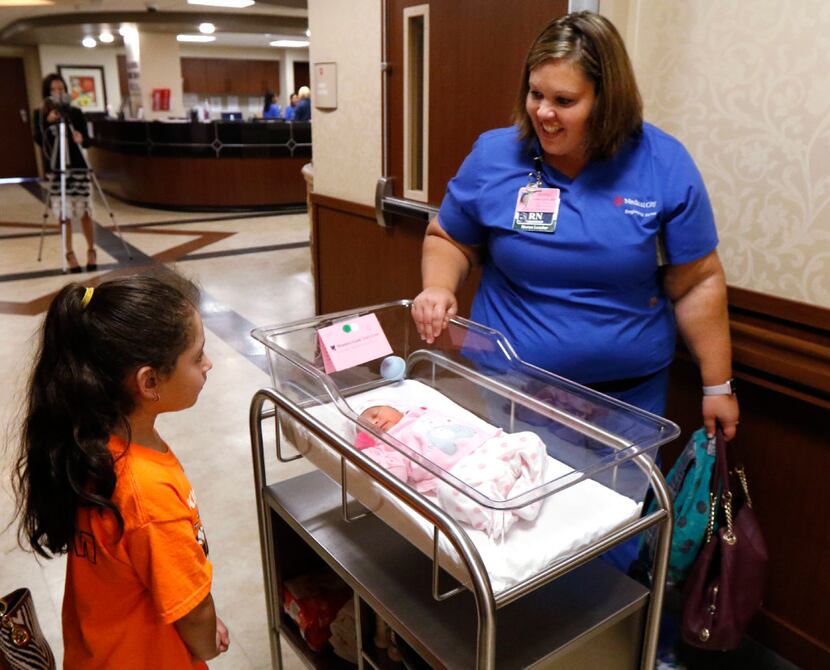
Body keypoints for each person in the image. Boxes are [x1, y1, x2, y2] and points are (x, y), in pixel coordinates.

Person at [411, 11, 739, 443]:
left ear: (607, 101)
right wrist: (438, 286)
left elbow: (697, 281)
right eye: (535, 94)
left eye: (564, 101)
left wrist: (718, 386)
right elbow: (450, 237)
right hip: (512, 388)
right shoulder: (496, 155)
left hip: (626, 401)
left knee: (619, 510)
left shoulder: (663, 163)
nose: (543, 112)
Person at [12, 274, 230, 669]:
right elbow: (196, 617)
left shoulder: (91, 444)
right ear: (149, 382)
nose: (208, 364)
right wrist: (206, 638)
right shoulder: (149, 494)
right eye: (198, 356)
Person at [356, 403, 547, 538]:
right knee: (449, 493)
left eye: (375, 413)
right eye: (367, 426)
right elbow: (396, 475)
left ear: (394, 408)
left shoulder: (419, 412)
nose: (375, 422)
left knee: (529, 439)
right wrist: (371, 454)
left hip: (488, 446)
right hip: (458, 471)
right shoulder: (387, 446)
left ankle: (525, 493)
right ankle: (502, 515)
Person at [32, 73, 97, 273]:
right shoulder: (41, 114)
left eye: (61, 88)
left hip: (78, 166)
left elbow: (87, 140)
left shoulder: (75, 113)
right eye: (54, 89)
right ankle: (69, 253)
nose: (59, 93)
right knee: (64, 214)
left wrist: (81, 138)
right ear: (47, 93)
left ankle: (91, 250)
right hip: (57, 168)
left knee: (85, 211)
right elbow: (39, 140)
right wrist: (48, 122)